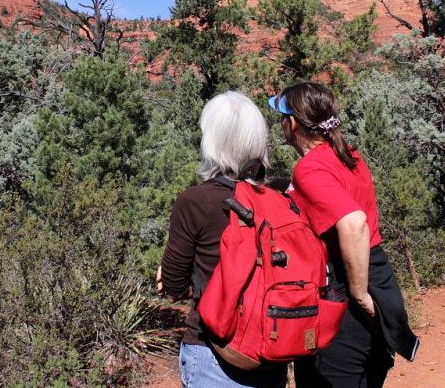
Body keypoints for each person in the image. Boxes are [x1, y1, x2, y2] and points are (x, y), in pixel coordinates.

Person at [268, 81, 419, 388]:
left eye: (282, 117)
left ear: (293, 123)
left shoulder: (309, 169)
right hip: (379, 277)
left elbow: (354, 222)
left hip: (342, 290)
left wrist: (359, 294)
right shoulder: (349, 154)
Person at [158, 91, 287, 388]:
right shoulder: (279, 197)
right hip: (273, 345)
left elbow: (174, 288)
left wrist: (190, 280)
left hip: (215, 351)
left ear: (211, 141)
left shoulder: (195, 201)